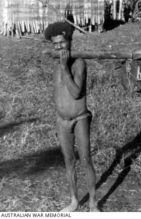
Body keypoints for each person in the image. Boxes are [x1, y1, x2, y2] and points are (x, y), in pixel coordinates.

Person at [44, 22, 99, 212]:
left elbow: (76, 93)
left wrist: (65, 68)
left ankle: (93, 202)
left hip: (80, 118)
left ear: (70, 41)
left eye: (62, 43)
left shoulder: (78, 63)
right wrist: (60, 116)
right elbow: (59, 93)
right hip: (62, 121)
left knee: (85, 159)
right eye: (55, 44)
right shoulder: (56, 65)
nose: (59, 47)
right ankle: (74, 200)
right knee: (69, 161)